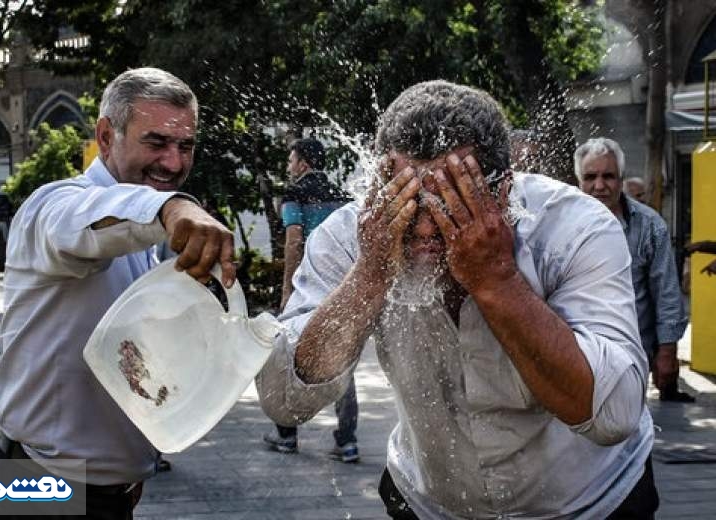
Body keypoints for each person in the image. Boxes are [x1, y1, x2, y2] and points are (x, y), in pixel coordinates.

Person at [257, 80, 657, 519]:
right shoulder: (357, 235)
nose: (426, 231)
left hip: (592, 501)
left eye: (450, 203)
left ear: (501, 192)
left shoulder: (574, 229)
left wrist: (497, 280)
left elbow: (614, 414)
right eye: (409, 204)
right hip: (430, 502)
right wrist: (369, 276)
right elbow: (284, 400)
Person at [0, 67, 235, 519]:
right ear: (105, 136)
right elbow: (89, 219)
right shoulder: (54, 205)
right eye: (156, 143)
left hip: (109, 490)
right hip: (36, 482)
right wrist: (172, 206)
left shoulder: (144, 233)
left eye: (186, 146)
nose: (174, 163)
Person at [263, 138, 360, 463]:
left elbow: (293, 240)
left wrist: (288, 288)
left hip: (309, 285)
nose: (289, 167)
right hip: (342, 285)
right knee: (343, 358)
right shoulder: (340, 195)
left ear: (303, 162)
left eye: (291, 161)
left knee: (283, 352)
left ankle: (285, 435)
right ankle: (347, 441)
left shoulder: (294, 195)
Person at [576, 137, 694, 403]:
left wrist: (667, 351)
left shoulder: (650, 227)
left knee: (627, 435)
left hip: (632, 356)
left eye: (609, 176)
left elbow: (666, 292)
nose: (599, 186)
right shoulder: (560, 225)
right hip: (576, 354)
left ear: (621, 179)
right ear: (579, 182)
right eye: (590, 177)